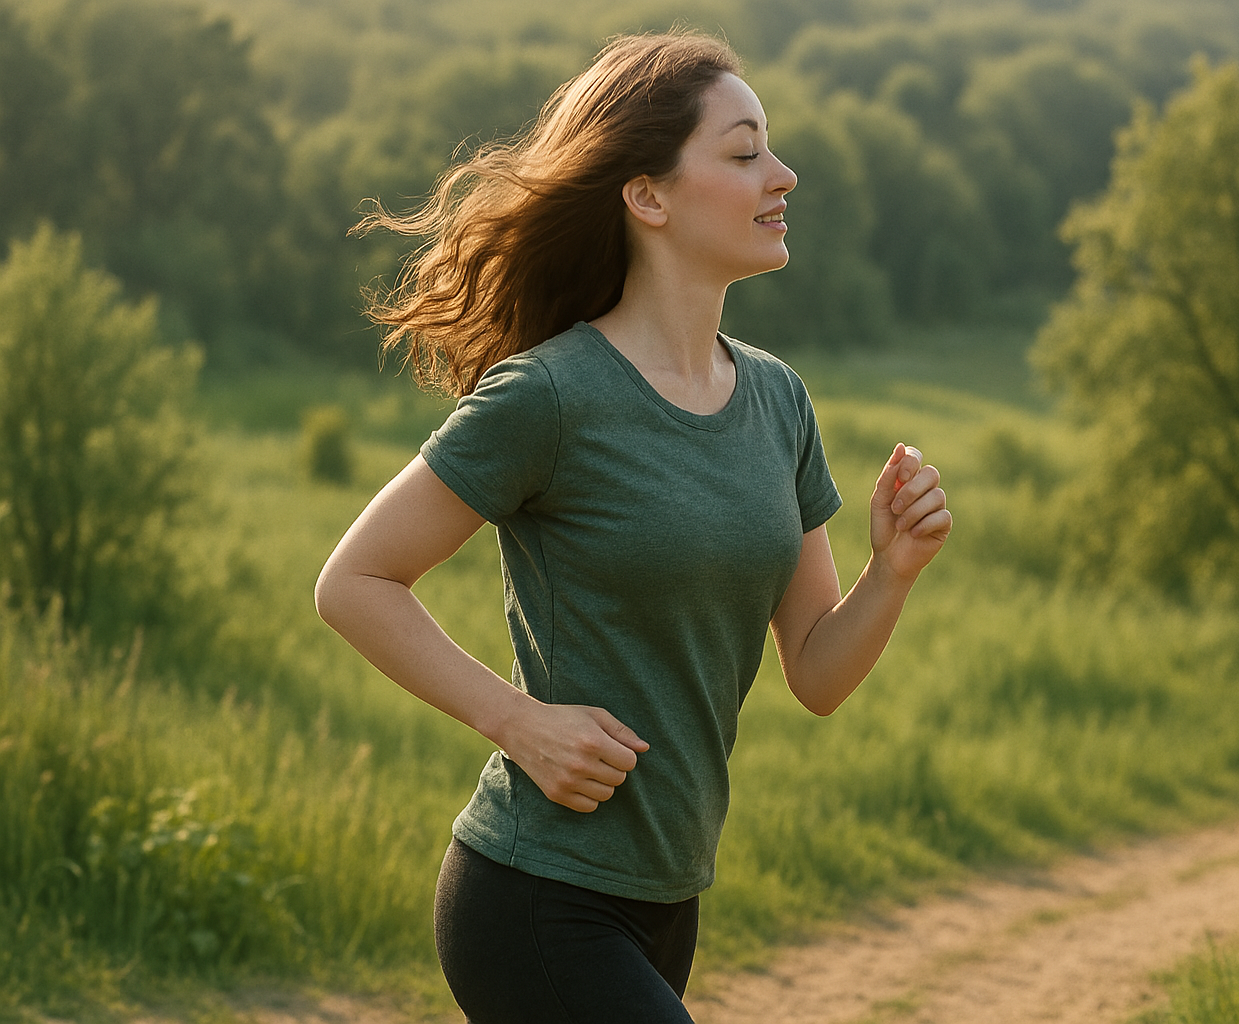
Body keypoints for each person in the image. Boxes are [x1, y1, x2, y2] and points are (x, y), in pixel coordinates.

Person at [314, 31, 951, 1024]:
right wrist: (518, 722)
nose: (782, 173)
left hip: (668, 894)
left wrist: (893, 569)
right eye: (743, 153)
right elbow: (353, 581)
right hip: (533, 891)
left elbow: (818, 672)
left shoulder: (778, 402)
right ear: (647, 196)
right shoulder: (552, 396)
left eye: (769, 148)